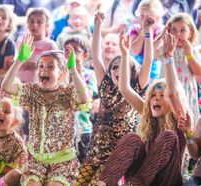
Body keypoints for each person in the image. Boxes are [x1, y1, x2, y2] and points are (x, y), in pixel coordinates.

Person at [96, 27, 191, 186]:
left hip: (167, 180)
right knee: (133, 137)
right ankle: (103, 184)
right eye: (153, 95)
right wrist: (125, 55)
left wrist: (168, 57)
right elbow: (124, 88)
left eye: (162, 95)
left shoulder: (180, 117)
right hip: (143, 179)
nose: (156, 99)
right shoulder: (148, 114)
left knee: (168, 135)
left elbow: (174, 94)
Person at [1, 33, 90, 185]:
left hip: (63, 163)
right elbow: (6, 86)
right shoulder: (32, 90)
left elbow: (84, 98)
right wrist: (20, 60)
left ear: (61, 74)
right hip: (37, 161)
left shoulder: (67, 93)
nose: (44, 69)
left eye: (50, 67)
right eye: (41, 66)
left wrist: (73, 69)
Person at [76, 12, 152, 185]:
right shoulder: (105, 86)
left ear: (133, 73)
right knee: (78, 182)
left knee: (98, 183)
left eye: (124, 67)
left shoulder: (135, 89)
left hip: (117, 155)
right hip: (95, 151)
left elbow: (148, 61)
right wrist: (97, 25)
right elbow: (96, 57)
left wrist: (148, 30)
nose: (118, 70)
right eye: (115, 67)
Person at [63, 37, 98, 163]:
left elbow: (87, 98)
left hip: (83, 129)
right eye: (66, 51)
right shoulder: (59, 74)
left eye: (75, 51)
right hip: (62, 130)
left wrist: (77, 70)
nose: (70, 54)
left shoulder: (89, 74)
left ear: (85, 55)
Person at [163, 12, 201, 124]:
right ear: (169, 31)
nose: (178, 34)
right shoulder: (164, 47)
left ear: (190, 33)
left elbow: (198, 71)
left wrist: (189, 54)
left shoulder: (192, 50)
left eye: (182, 30)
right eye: (174, 30)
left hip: (186, 90)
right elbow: (154, 54)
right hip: (168, 89)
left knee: (186, 118)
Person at [17, 7, 58, 83]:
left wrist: (37, 65)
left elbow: (55, 67)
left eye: (39, 22)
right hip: (20, 84)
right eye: (31, 21)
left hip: (38, 86)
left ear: (47, 25)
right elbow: (18, 63)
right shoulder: (24, 42)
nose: (35, 25)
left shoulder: (50, 45)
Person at [129, 0, 165, 81]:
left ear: (157, 18)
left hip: (151, 74)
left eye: (149, 17)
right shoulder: (135, 28)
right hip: (134, 71)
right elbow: (134, 50)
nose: (144, 19)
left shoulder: (161, 31)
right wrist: (143, 32)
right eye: (142, 15)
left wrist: (148, 31)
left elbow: (152, 53)